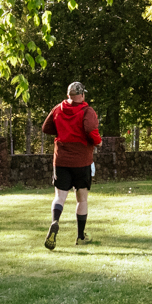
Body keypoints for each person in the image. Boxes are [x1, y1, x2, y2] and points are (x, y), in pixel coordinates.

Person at [41, 81, 101, 249]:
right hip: (81, 160)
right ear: (81, 95)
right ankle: (81, 237)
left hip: (61, 160)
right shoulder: (87, 111)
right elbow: (90, 130)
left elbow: (46, 128)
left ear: (68, 95)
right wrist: (98, 141)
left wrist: (63, 131)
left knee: (59, 197)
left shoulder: (58, 109)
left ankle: (55, 221)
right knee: (82, 199)